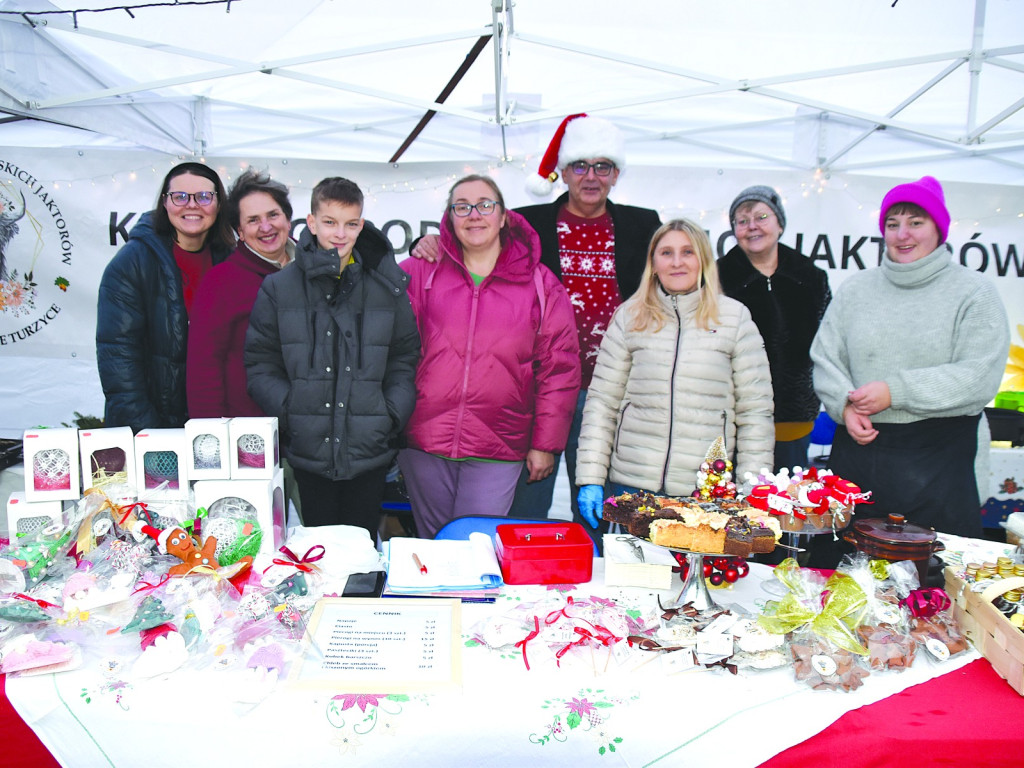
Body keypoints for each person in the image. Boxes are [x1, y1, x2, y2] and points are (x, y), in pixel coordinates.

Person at [411, 114, 661, 530]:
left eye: (603, 166)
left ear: (616, 174)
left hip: (613, 394)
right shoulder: (527, 222)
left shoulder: (642, 224)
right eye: (580, 165)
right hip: (535, 396)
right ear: (562, 172)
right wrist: (436, 242)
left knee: (605, 511)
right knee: (527, 513)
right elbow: (475, 244)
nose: (591, 176)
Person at [811, 175, 1009, 546]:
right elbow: (825, 357)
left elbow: (979, 375)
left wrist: (895, 391)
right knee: (843, 577)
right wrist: (843, 406)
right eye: (892, 224)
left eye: (916, 223)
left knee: (932, 586)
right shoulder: (856, 289)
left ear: (938, 229)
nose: (903, 234)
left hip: (940, 462)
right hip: (859, 455)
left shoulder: (974, 292)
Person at [398, 174, 580, 538]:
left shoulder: (541, 284)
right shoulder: (419, 272)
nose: (474, 215)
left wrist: (545, 445)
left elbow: (559, 371)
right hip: (425, 441)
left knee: (474, 544)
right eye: (461, 207)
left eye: (485, 205)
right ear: (449, 218)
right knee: (433, 548)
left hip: (499, 444)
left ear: (503, 217)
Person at [244, 177, 420, 539]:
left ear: (362, 224)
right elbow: (261, 363)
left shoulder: (387, 286)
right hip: (309, 451)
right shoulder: (279, 287)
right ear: (311, 223)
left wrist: (389, 414)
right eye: (330, 222)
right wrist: (292, 409)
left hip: (369, 449)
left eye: (351, 223)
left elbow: (405, 356)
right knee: (318, 554)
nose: (340, 234)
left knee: (360, 554)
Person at [575, 219, 774, 524]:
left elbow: (755, 413)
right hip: (631, 488)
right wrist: (591, 477)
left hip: (704, 496)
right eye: (666, 253)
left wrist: (752, 488)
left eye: (688, 252)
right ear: (653, 263)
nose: (677, 262)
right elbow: (602, 403)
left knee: (692, 575)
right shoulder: (629, 317)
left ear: (703, 260)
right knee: (632, 574)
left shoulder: (734, 318)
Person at [97, 161, 234, 432]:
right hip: (152, 427)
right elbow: (118, 358)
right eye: (179, 196)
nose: (192, 205)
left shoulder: (229, 261)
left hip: (214, 425)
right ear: (165, 203)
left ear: (219, 205)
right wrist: (150, 434)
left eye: (204, 196)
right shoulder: (132, 263)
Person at [717, 186, 831, 472]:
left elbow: (828, 344)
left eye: (761, 217)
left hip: (792, 419)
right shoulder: (716, 277)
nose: (752, 226)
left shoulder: (811, 277)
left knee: (783, 506)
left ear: (779, 224)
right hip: (731, 421)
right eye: (742, 221)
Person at [187, 169, 295, 417]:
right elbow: (203, 369)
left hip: (311, 438)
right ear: (240, 231)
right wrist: (211, 436)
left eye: (273, 215)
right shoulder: (221, 281)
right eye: (253, 220)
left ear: (288, 220)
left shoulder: (314, 272)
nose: (266, 226)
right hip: (248, 438)